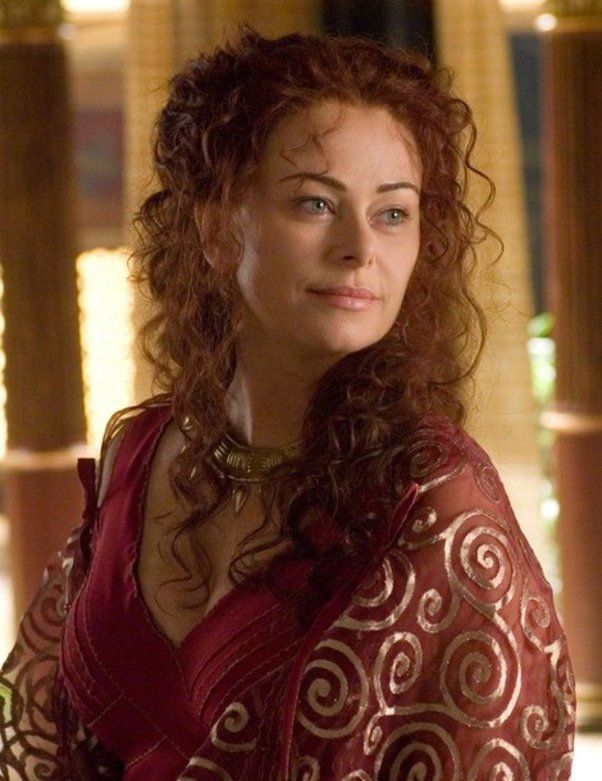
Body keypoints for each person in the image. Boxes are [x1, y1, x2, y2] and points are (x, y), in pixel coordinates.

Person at [0, 28, 574, 781]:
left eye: (393, 213)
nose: (360, 247)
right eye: (315, 203)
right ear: (216, 227)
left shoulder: (432, 500)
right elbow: (42, 722)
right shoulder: (137, 456)